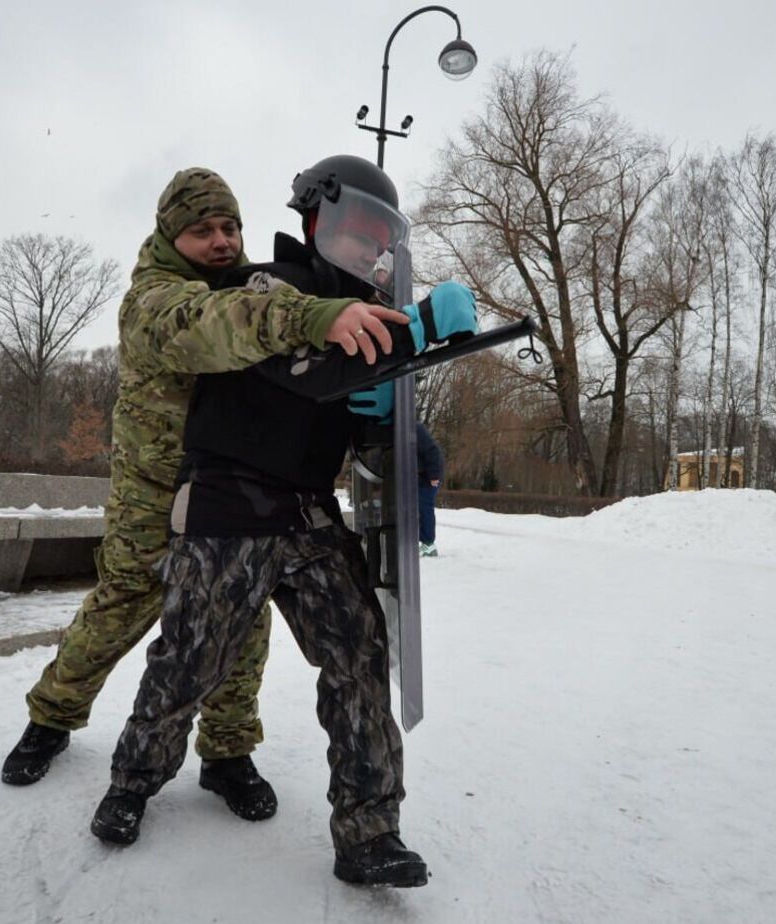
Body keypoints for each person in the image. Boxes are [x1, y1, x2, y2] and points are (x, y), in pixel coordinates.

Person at [89, 155, 478, 888]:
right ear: (315, 222)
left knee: (360, 651)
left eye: (378, 241)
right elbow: (310, 365)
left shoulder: (372, 317)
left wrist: (394, 412)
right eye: (355, 233)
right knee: (190, 662)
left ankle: (369, 830)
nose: (367, 252)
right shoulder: (267, 283)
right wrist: (417, 332)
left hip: (307, 511)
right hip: (229, 503)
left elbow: (383, 444)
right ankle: (133, 780)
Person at [4, 169, 406, 823]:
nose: (221, 242)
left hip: (226, 491)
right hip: (152, 491)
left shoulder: (258, 288)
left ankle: (226, 753)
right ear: (170, 236)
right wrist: (318, 316)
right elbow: (219, 324)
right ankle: (52, 716)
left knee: (241, 624)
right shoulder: (159, 299)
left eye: (230, 228)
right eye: (202, 231)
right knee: (122, 607)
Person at [416, 421, 444, 557]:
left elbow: (432, 450)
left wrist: (434, 475)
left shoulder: (415, 428)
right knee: (419, 507)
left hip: (428, 476)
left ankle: (429, 544)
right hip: (420, 475)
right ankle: (424, 541)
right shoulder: (405, 427)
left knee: (425, 506)